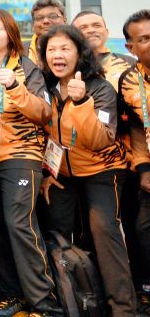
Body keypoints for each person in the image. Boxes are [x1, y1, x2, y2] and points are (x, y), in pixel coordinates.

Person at [37, 25, 136, 316]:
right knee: (52, 227)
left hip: (102, 171)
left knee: (104, 231)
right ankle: (72, 301)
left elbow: (99, 139)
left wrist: (81, 102)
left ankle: (123, 308)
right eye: (51, 49)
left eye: (65, 48)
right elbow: (45, 135)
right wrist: (47, 174)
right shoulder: (46, 87)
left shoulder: (99, 87)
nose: (58, 55)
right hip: (63, 174)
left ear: (80, 54)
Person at [0, 10, 62, 316]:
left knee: (19, 223)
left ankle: (44, 301)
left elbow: (43, 113)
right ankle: (10, 293)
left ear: (10, 35)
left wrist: (14, 88)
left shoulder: (26, 68)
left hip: (21, 155)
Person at [117, 10, 150, 312]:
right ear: (131, 48)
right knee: (142, 228)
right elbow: (135, 128)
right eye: (145, 39)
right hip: (146, 167)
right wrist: (143, 169)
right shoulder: (129, 80)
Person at [72, 10, 134, 91]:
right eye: (83, 28)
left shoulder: (130, 63)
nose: (91, 30)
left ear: (107, 32)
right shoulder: (68, 65)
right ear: (72, 36)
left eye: (97, 25)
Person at [25, 0, 66, 65]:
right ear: (33, 24)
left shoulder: (77, 48)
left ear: (64, 20)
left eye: (53, 16)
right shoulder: (18, 51)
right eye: (39, 18)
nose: (46, 21)